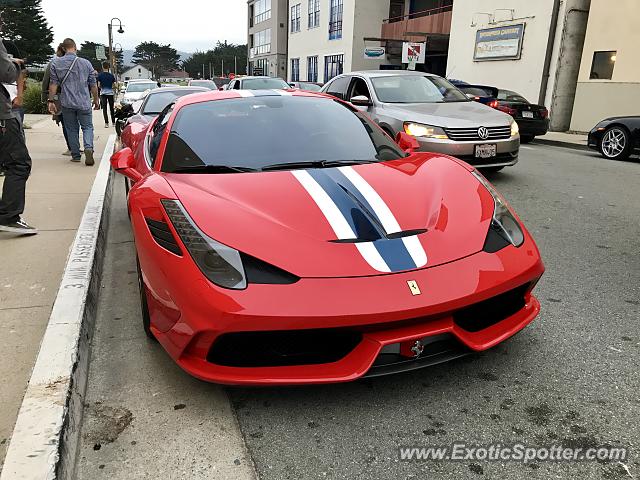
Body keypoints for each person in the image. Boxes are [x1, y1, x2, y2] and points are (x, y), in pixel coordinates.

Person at [0, 37, 36, 234]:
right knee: (19, 163)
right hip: (2, 115)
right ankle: (9, 216)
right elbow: (6, 73)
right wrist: (15, 64)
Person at [47, 38, 100, 166]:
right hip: (83, 102)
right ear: (75, 47)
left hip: (67, 102)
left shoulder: (56, 63)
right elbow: (93, 85)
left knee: (71, 129)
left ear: (64, 49)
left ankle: (75, 155)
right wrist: (96, 100)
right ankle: (88, 148)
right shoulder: (86, 63)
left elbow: (53, 84)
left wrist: (50, 100)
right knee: (87, 127)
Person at [42, 43, 73, 155]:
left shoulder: (53, 63)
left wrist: (45, 98)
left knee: (64, 122)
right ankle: (75, 146)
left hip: (58, 96)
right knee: (73, 122)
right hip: (73, 96)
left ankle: (71, 147)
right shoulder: (75, 63)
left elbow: (46, 81)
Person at [96, 62, 116, 128]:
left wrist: (102, 88)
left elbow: (98, 85)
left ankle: (106, 123)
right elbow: (114, 85)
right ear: (108, 67)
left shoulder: (100, 75)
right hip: (110, 93)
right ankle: (113, 122)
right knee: (111, 108)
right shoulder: (111, 76)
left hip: (103, 94)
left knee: (104, 109)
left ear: (102, 67)